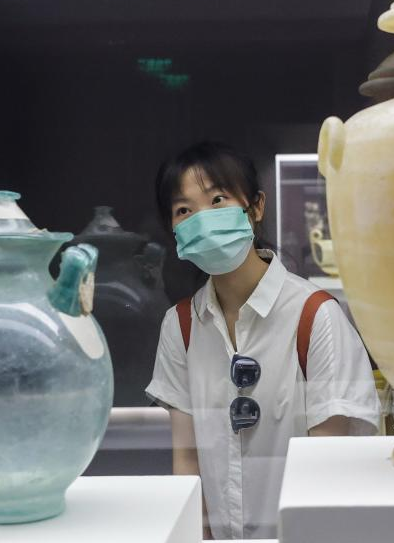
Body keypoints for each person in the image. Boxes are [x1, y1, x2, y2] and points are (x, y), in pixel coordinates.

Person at [146, 142, 380, 540]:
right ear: (173, 227)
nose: (202, 219)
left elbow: (328, 466)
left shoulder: (316, 316)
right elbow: (187, 460)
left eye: (217, 200)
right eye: (184, 210)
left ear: (256, 207)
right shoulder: (179, 326)